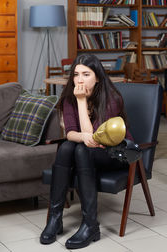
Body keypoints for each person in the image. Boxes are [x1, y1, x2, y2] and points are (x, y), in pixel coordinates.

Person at [40, 54, 133, 249]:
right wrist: (81, 136)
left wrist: (81, 102)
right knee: (67, 147)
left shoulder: (111, 98)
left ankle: (90, 225)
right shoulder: (69, 97)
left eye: (86, 74)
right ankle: (55, 219)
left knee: (82, 150)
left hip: (116, 153)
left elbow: (93, 138)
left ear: (97, 77)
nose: (79, 80)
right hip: (89, 151)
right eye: (75, 74)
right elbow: (72, 133)